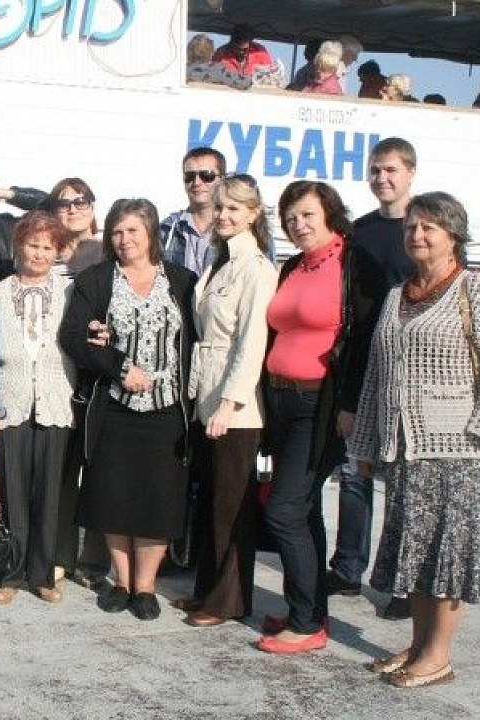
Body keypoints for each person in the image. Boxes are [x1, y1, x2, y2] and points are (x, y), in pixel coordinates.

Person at [349, 191, 480, 687]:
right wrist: (364, 443)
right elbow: (375, 376)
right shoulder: (396, 295)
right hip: (404, 449)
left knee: (447, 556)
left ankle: (438, 656)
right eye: (411, 227)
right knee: (415, 552)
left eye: (429, 227)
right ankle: (419, 646)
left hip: (456, 449)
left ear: (454, 235)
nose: (417, 235)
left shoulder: (475, 291)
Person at [256, 180, 387, 654]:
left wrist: (351, 405)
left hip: (322, 407)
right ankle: (306, 610)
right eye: (291, 217)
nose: (299, 224)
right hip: (281, 402)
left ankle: (308, 623)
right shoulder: (293, 265)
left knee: (284, 510)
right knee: (304, 509)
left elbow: (367, 340)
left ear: (329, 213)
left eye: (308, 214)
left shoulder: (355, 263)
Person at [58, 198, 197, 621]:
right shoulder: (97, 280)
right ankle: (121, 581)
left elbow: (198, 339)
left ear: (151, 232)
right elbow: (73, 337)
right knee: (114, 496)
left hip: (168, 409)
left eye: (133, 230)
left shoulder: (182, 281)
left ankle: (145, 587)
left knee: (158, 499)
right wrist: (118, 367)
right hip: (115, 407)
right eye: (117, 232)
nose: (124, 239)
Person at [175, 174, 276, 628]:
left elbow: (251, 344)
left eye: (234, 208)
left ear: (253, 214)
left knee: (230, 508)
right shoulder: (221, 261)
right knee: (211, 503)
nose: (224, 215)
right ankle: (207, 590)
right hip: (208, 395)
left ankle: (228, 600)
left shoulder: (256, 268)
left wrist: (228, 404)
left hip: (235, 409)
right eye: (219, 207)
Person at [329, 137, 418, 621]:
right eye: (376, 170)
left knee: (403, 485)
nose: (382, 178)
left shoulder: (425, 228)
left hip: (411, 374)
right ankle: (347, 569)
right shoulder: (359, 233)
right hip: (362, 371)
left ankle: (403, 583)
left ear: (410, 173)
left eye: (391, 170)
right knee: (354, 475)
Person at [0, 211, 77, 605]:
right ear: (18, 246)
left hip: (57, 401)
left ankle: (42, 574)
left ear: (57, 251)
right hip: (11, 401)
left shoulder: (71, 292)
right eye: (33, 245)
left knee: (50, 493)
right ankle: (10, 572)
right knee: (13, 492)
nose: (39, 253)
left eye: (47, 247)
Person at [46, 176, 109, 588]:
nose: (72, 209)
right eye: (63, 202)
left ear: (92, 206)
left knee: (100, 470)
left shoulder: (106, 250)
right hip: (54, 371)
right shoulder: (45, 249)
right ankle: (60, 554)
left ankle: (95, 559)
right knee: (63, 470)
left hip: (95, 372)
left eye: (80, 201)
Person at [161, 147, 225, 277]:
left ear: (222, 179)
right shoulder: (166, 230)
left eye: (207, 176)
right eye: (190, 176)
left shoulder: (239, 230)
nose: (197, 183)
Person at [48, 177, 106, 280]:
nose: (73, 210)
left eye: (81, 202)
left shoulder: (110, 252)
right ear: (54, 213)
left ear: (92, 209)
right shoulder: (44, 255)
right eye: (63, 205)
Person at [212, 23, 286, 88]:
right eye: (238, 39)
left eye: (246, 40)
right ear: (231, 40)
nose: (243, 46)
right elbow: (212, 78)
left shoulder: (260, 52)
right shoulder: (221, 53)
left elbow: (270, 79)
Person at [187, 33, 252, 90]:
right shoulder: (216, 69)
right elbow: (245, 83)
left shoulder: (183, 70)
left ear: (189, 51)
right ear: (211, 53)